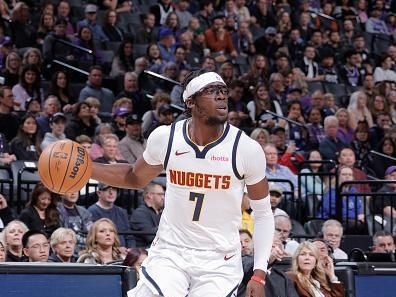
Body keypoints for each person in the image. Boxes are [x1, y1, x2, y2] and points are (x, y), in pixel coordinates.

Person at [91, 70, 274, 297]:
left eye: (223, 91)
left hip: (219, 259)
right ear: (190, 101)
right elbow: (133, 177)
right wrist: (89, 169)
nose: (221, 96)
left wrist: (259, 272)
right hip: (171, 251)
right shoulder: (166, 138)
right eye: (211, 91)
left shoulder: (246, 149)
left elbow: (264, 213)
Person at [87, 183, 131, 247]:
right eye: (107, 189)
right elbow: (92, 239)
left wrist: (130, 250)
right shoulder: (91, 212)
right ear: (99, 193)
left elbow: (129, 236)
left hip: (124, 253)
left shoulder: (121, 212)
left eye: (114, 189)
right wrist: (116, 249)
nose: (111, 192)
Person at [130, 183, 164, 248]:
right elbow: (150, 236)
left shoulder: (161, 213)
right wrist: (168, 224)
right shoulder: (139, 213)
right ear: (149, 195)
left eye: (163, 194)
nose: (163, 197)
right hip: (144, 252)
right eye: (160, 194)